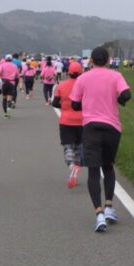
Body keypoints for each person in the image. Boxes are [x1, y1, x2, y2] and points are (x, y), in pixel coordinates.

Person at [69, 46, 131, 232]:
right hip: (112, 128)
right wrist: (119, 100)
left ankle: (99, 214)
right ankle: (110, 206)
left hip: (91, 127)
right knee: (108, 166)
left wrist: (86, 104)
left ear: (91, 61)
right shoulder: (116, 76)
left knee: (94, 171)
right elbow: (126, 94)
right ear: (108, 60)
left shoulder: (82, 78)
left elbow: (74, 104)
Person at [51, 60, 84, 189]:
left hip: (66, 120)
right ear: (81, 73)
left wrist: (65, 106)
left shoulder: (62, 85)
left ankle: (71, 166)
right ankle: (76, 168)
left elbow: (55, 103)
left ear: (68, 72)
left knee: (68, 147)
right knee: (79, 147)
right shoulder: (84, 86)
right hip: (82, 120)